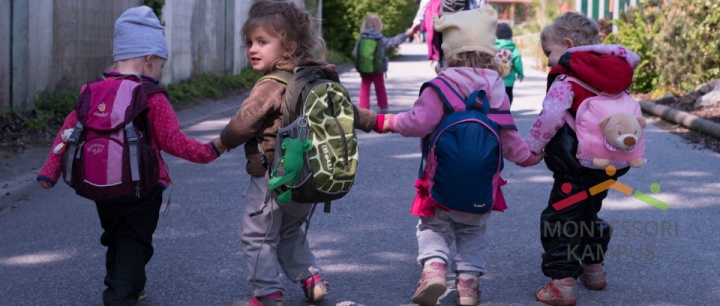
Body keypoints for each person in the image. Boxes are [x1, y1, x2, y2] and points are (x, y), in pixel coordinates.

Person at [36, 6, 226, 305]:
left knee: (115, 235)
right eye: (160, 65)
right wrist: (211, 150)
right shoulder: (150, 96)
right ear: (149, 60)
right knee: (135, 241)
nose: (160, 72)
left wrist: (49, 171)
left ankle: (130, 286)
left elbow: (67, 132)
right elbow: (173, 140)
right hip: (143, 188)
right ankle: (120, 294)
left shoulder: (91, 92)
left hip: (98, 186)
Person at [217, 2, 384, 305]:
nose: (253, 49)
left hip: (273, 177)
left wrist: (219, 143)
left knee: (259, 234)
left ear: (288, 46)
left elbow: (243, 123)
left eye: (262, 42)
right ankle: (312, 278)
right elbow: (344, 111)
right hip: (309, 175)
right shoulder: (316, 76)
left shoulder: (270, 84)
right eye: (250, 43)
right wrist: (379, 121)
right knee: (291, 231)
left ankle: (267, 292)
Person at [380, 7, 543, 306]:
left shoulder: (440, 86)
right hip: (481, 187)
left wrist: (389, 122)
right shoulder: (496, 90)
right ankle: (467, 286)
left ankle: (434, 269)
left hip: (439, 183)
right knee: (472, 231)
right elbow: (509, 139)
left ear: (448, 52)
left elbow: (417, 123)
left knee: (431, 226)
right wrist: (529, 157)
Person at [525, 12, 640, 306]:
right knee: (588, 213)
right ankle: (593, 269)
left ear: (567, 44)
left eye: (550, 53)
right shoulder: (614, 78)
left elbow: (550, 117)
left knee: (560, 219)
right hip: (609, 167)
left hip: (574, 168)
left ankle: (562, 283)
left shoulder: (566, 79)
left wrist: (533, 148)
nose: (549, 61)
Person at [352, 14, 414, 113]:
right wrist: (405, 34)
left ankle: (364, 109)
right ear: (378, 26)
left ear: (364, 26)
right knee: (380, 88)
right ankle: (383, 107)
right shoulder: (379, 39)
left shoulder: (361, 39)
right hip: (378, 69)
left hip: (364, 69)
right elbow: (393, 42)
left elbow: (355, 53)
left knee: (365, 88)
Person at [494, 22, 524, 103]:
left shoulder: (493, 48)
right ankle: (507, 110)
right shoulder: (513, 49)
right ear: (510, 36)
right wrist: (520, 74)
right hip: (509, 80)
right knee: (508, 95)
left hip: (495, 79)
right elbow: (518, 63)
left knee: (495, 96)